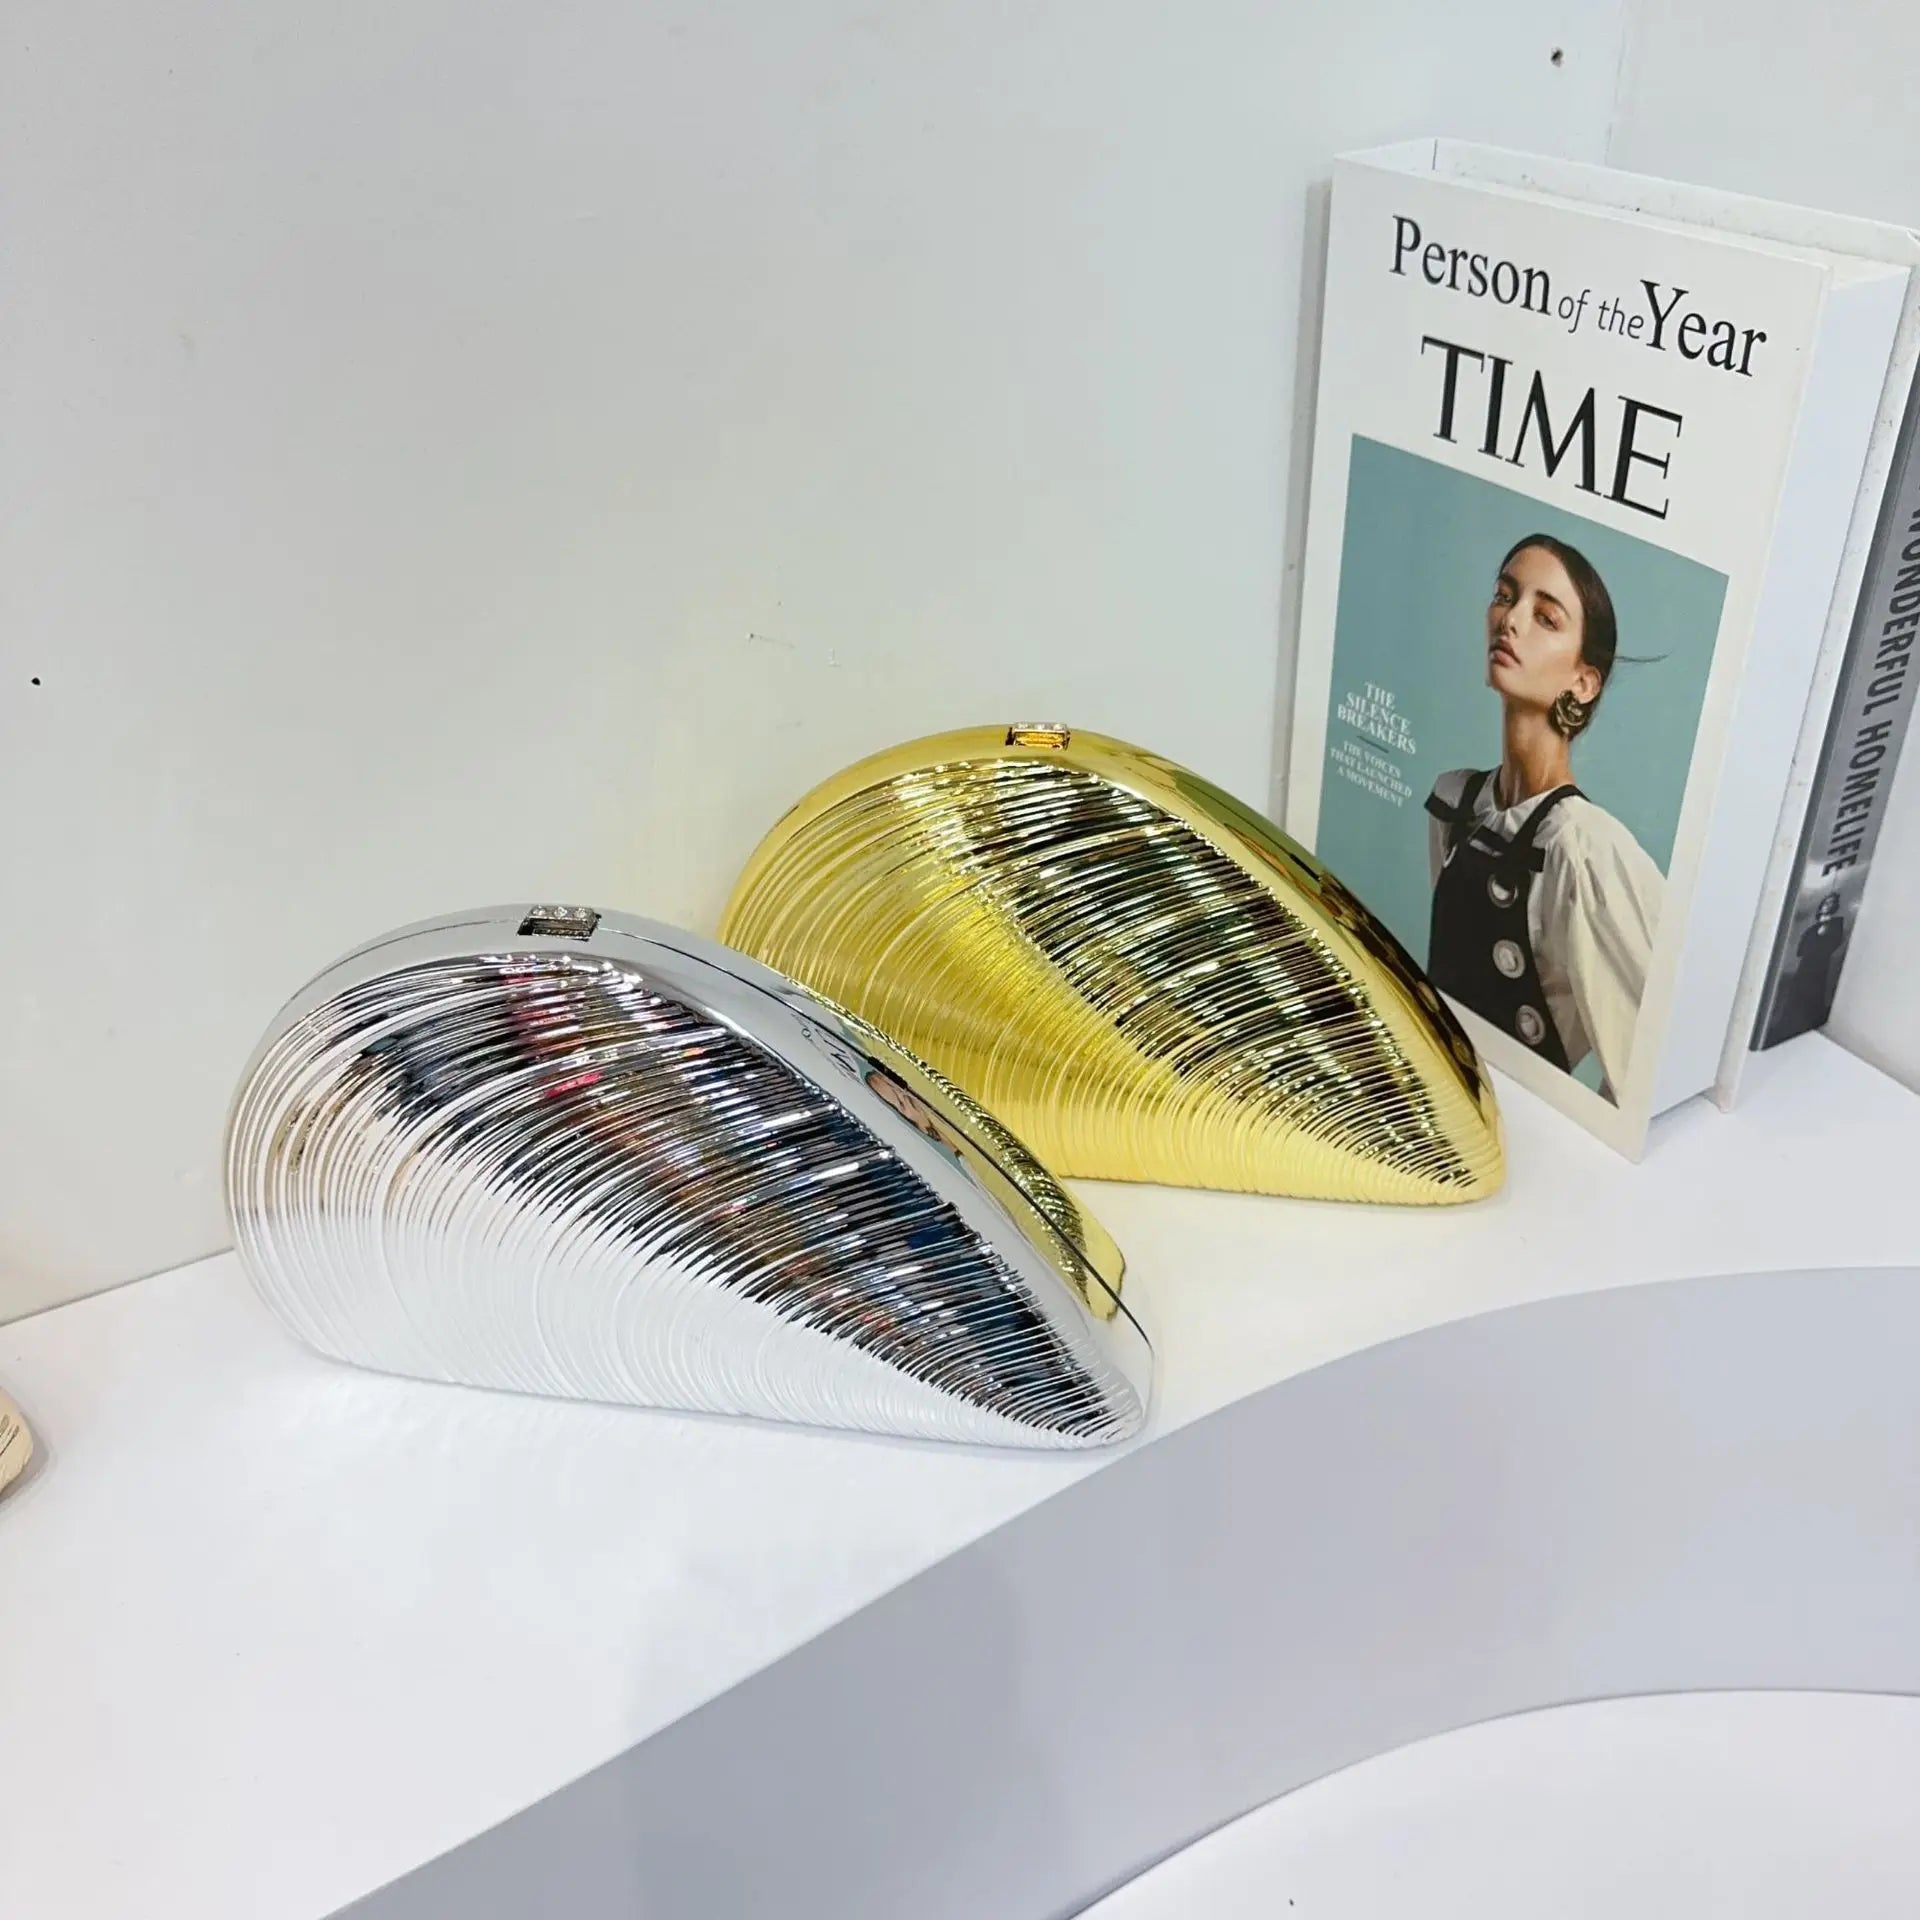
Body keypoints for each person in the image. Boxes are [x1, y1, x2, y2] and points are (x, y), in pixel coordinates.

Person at [1425, 534, 1663, 1101]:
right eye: (1504, 596)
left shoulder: (1586, 849)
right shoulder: (1454, 801)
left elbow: (1656, 1052)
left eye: (1546, 617)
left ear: (1583, 681)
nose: (1510, 620)